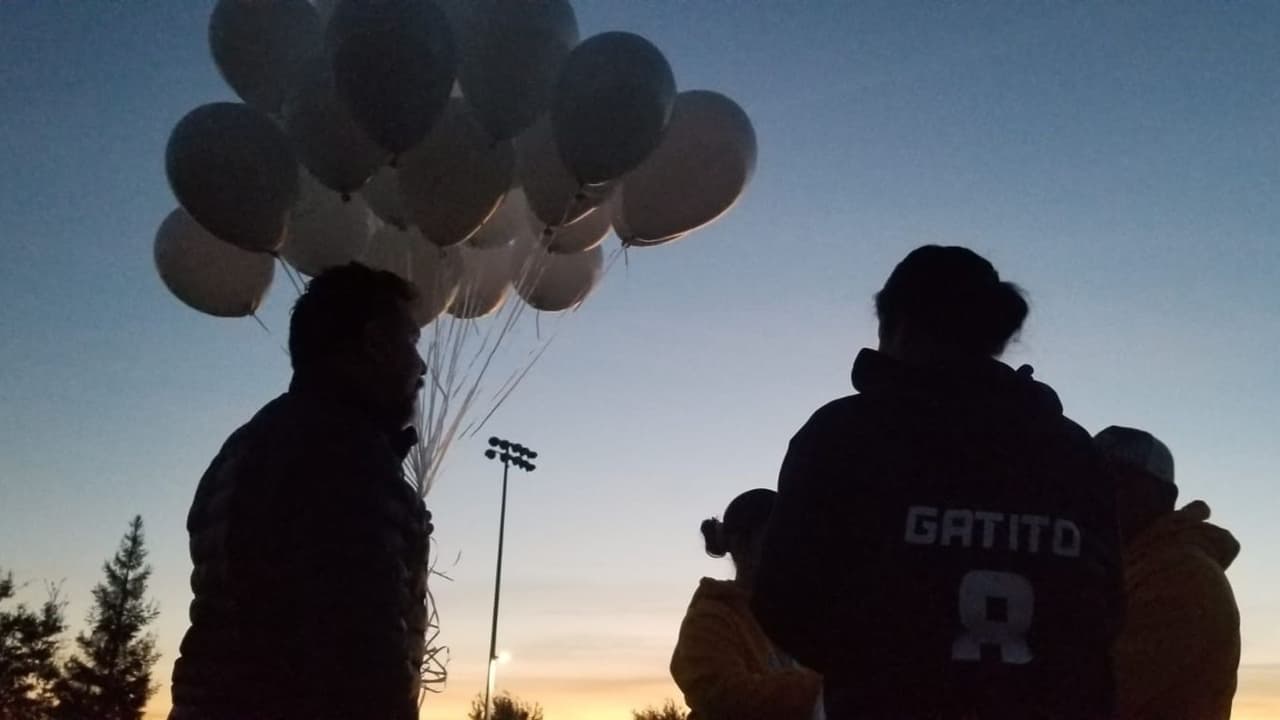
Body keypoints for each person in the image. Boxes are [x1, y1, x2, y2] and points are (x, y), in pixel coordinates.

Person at [753, 246, 1124, 719]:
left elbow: (784, 599)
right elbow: (1106, 608)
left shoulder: (845, 435)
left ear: (896, 325)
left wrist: (879, 664)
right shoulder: (1074, 450)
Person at [168, 263, 432, 720]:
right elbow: (357, 651)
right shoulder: (342, 455)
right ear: (373, 343)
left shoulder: (250, 442)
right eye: (411, 341)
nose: (421, 365)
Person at [1094, 426, 1241, 720]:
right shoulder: (1128, 568)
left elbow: (1094, 695)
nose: (1098, 496)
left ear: (1163, 495)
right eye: (1090, 482)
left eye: (1118, 483)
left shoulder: (1184, 577)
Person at [671, 488, 822, 720]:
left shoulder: (802, 615)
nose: (791, 549)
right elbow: (724, 696)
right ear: (742, 544)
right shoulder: (709, 618)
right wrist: (823, 689)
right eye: (777, 537)